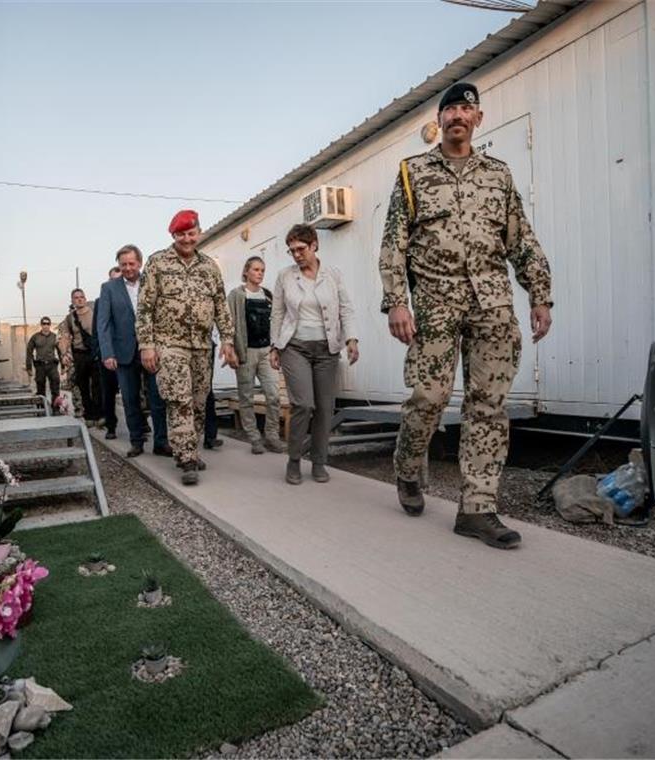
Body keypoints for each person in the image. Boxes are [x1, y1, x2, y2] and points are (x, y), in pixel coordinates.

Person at [379, 81, 553, 550]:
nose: (457, 115)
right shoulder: (413, 173)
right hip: (435, 303)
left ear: (478, 118)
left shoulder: (499, 175)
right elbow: (394, 243)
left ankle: (478, 509)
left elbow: (521, 239)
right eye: (450, 109)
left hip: (492, 304)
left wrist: (540, 293)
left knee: (487, 405)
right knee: (428, 398)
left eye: (465, 109)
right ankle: (409, 468)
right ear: (440, 121)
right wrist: (397, 301)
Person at [137, 209, 237, 486]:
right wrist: (147, 345)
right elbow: (144, 308)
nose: (187, 239)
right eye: (181, 234)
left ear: (199, 233)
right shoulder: (157, 263)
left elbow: (220, 305)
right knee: (179, 399)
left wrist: (228, 339)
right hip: (169, 345)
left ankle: (189, 447)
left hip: (202, 346)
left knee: (198, 401)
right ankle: (187, 458)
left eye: (191, 233)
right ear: (173, 235)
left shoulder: (209, 267)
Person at [270, 224, 358, 485]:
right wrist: (274, 346)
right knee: (303, 404)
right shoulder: (285, 276)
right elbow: (277, 313)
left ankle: (319, 462)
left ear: (314, 245)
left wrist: (351, 339)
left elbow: (346, 308)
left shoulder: (333, 274)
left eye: (300, 249)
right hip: (294, 346)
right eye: (292, 250)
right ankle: (294, 460)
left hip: (327, 349)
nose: (296, 255)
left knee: (324, 408)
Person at [96, 245, 170, 458]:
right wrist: (107, 353)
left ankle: (161, 442)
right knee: (130, 399)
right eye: (123, 264)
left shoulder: (153, 282)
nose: (128, 268)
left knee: (158, 398)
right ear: (119, 265)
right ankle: (136, 441)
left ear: (140, 263)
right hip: (124, 352)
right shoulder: (109, 288)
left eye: (132, 263)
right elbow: (104, 323)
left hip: (152, 350)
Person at [228, 256, 285, 454]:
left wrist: (275, 347)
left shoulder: (268, 295)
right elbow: (229, 323)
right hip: (246, 352)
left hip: (266, 352)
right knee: (246, 397)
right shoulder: (236, 295)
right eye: (255, 270)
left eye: (262, 270)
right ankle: (254, 438)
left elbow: (277, 320)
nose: (259, 273)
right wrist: (231, 349)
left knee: (274, 395)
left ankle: (272, 435)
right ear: (246, 272)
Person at [58, 288, 102, 425]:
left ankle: (98, 415)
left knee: (97, 385)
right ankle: (88, 416)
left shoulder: (95, 313)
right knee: (83, 386)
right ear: (72, 301)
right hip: (79, 354)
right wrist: (64, 353)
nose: (80, 299)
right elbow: (65, 337)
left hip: (95, 353)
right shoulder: (70, 318)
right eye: (76, 297)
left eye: (82, 297)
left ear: (85, 298)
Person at [95, 266, 122, 438]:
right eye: (114, 279)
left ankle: (141, 424)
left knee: (133, 392)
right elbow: (97, 328)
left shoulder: (132, 297)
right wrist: (101, 352)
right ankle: (111, 426)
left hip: (127, 352)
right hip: (108, 353)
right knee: (109, 392)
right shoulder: (101, 301)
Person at [25, 316, 62, 403]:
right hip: (40, 366)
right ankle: (41, 407)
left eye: (48, 324)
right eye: (44, 324)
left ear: (50, 325)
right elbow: (29, 352)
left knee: (55, 384)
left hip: (52, 365)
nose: (46, 326)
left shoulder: (54, 337)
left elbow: (60, 351)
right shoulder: (35, 337)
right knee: (40, 385)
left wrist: (63, 366)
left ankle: (56, 406)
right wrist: (29, 367)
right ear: (41, 325)